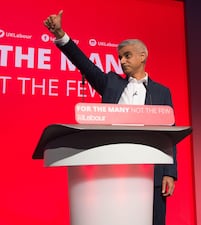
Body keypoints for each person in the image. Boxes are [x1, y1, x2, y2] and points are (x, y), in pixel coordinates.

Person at [44, 10, 177, 225]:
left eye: (127, 55)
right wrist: (61, 34)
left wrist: (170, 172)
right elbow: (84, 63)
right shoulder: (111, 83)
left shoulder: (162, 92)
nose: (122, 61)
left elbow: (169, 135)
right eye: (120, 57)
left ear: (143, 56)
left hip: (152, 173)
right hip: (115, 168)